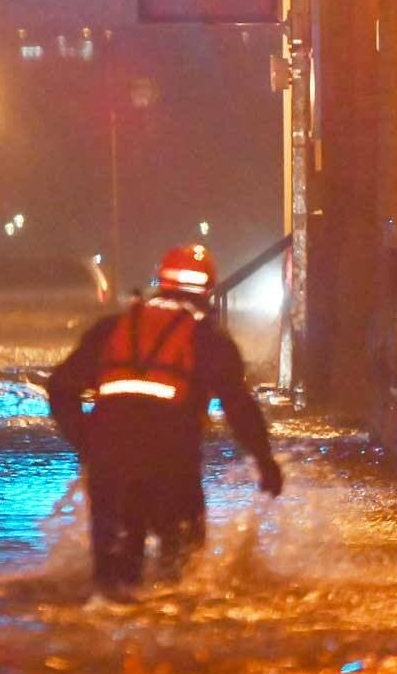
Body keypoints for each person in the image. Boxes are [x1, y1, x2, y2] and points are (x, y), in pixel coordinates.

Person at [47, 243, 283, 599]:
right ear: (208, 290)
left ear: (162, 281)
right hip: (171, 464)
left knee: (113, 580)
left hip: (110, 463)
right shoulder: (207, 338)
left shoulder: (115, 327)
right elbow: (239, 407)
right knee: (181, 576)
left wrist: (87, 443)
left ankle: (108, 624)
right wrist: (265, 462)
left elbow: (60, 388)